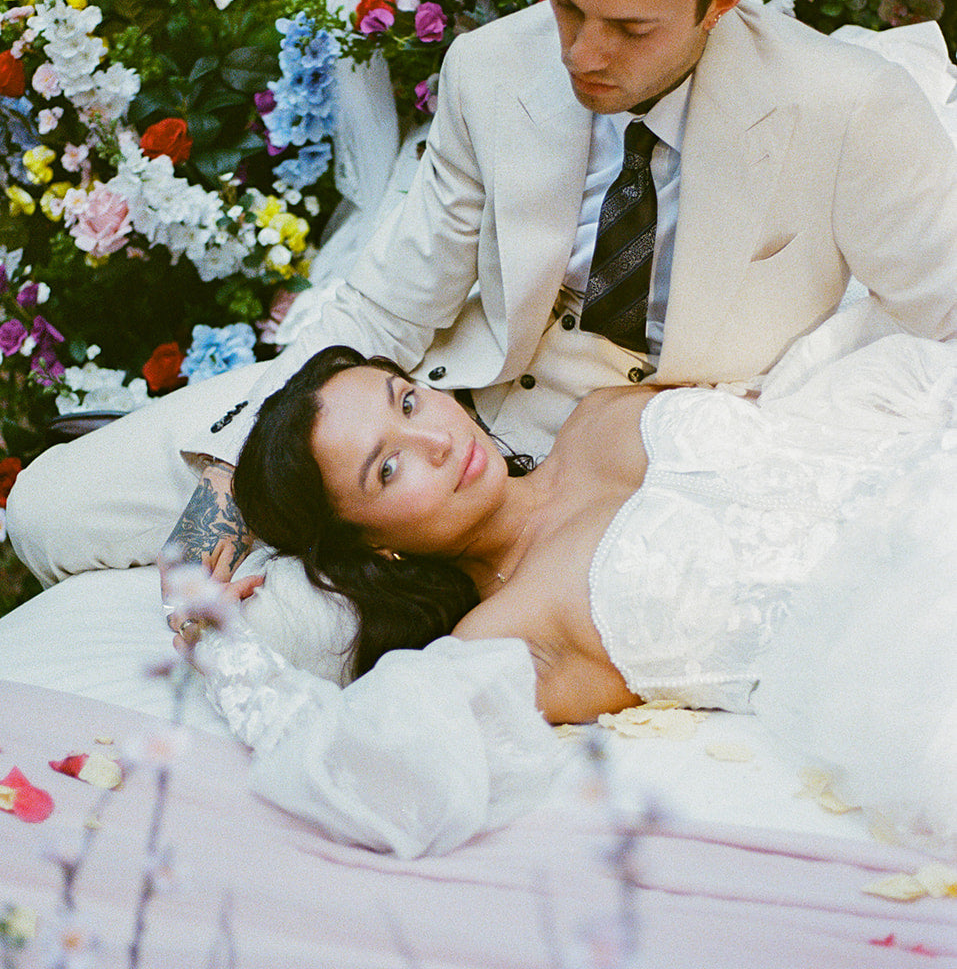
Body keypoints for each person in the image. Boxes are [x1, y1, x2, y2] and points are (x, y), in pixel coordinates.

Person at [6, 0, 957, 665]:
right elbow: (389, 307)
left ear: (720, 0)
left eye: (628, 29)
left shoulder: (849, 109)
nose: (583, 55)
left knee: (291, 636)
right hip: (428, 405)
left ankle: (290, 589)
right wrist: (229, 490)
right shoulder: (489, 69)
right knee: (48, 513)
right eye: (565, 4)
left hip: (597, 485)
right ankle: (269, 526)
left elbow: (944, 322)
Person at [210, 316, 957, 851]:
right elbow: (367, 767)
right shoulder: (507, 633)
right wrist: (215, 640)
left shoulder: (596, 413)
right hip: (914, 630)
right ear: (373, 549)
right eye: (388, 466)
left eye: (407, 399)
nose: (437, 438)